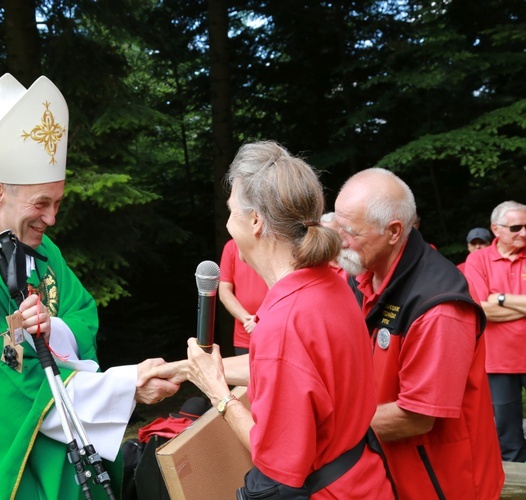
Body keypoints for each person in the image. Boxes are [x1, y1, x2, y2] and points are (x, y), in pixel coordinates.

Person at [0, 73, 178, 499]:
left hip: (53, 458)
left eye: (58, 203)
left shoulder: (43, 251)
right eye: (41, 204)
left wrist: (53, 328)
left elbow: (82, 313)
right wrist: (127, 387)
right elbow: (13, 387)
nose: (52, 219)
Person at [143, 141, 394, 498]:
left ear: (256, 220)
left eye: (231, 211)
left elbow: (276, 461)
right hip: (364, 480)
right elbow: (292, 371)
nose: (228, 223)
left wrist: (218, 393)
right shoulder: (332, 285)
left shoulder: (284, 323)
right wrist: (186, 369)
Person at [334, 168, 504, 499]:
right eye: (338, 226)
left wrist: (329, 426)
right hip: (393, 475)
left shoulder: (438, 308)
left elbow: (416, 418)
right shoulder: (361, 277)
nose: (340, 240)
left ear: (394, 231)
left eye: (350, 231)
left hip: (445, 485)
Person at [464, 201, 526, 462]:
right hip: (498, 361)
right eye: (516, 227)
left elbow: (490, 303)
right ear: (495, 229)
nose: (523, 233)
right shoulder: (478, 258)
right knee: (507, 433)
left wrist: (498, 298)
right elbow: (481, 309)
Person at [218, 238, 268, 355]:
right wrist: (247, 319)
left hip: (273, 329)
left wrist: (261, 319)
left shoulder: (276, 243)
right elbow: (224, 291)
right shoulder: (231, 246)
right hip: (245, 333)